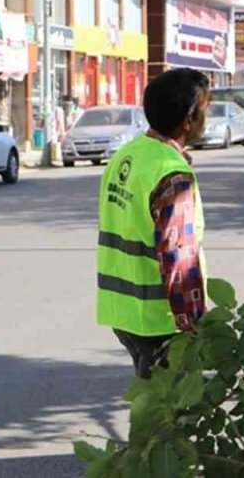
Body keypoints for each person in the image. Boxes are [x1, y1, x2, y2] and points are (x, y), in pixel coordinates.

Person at [95, 67, 211, 378]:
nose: (207, 117)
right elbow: (178, 257)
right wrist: (194, 325)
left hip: (123, 311)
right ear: (188, 120)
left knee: (153, 405)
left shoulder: (126, 155)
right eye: (205, 110)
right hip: (159, 319)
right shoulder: (171, 174)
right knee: (168, 418)